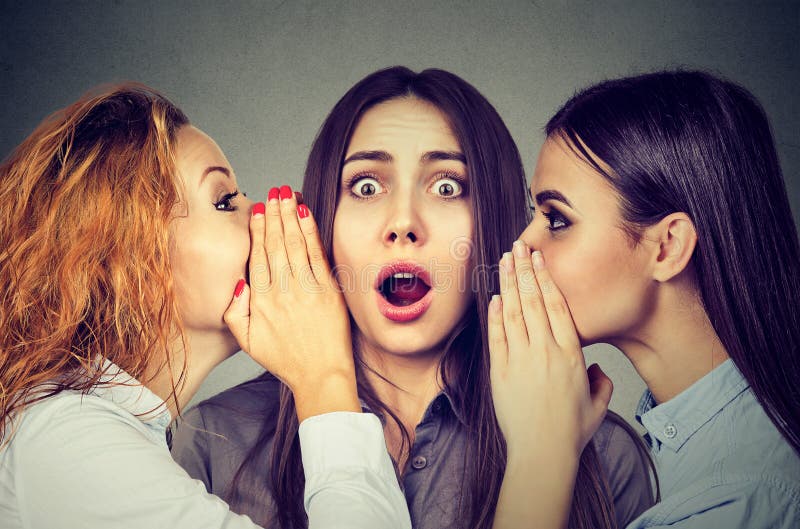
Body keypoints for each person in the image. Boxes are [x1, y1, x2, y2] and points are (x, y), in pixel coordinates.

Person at [171, 67, 655, 529]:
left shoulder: (600, 456)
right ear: (318, 220)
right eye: (365, 186)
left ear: (497, 220)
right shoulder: (214, 442)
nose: (403, 222)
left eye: (447, 187)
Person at [0, 84, 412, 529]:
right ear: (132, 258)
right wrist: (326, 380)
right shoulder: (68, 438)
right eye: (225, 201)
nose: (261, 216)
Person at [489, 70, 800, 529]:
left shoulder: (735, 501)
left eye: (556, 219)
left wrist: (541, 450)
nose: (523, 245)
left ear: (668, 246)